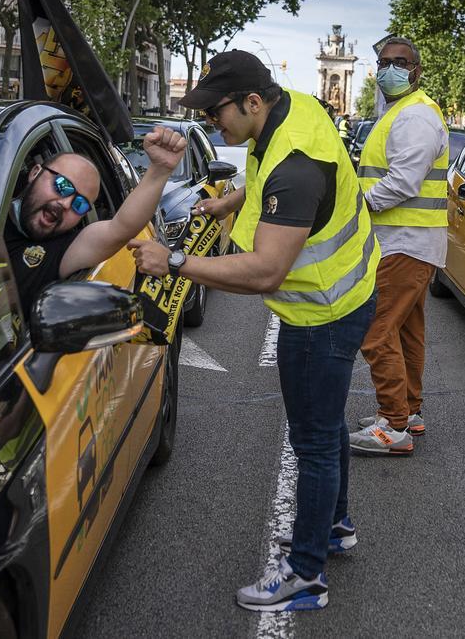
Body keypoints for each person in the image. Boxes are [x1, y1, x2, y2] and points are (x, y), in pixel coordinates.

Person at [127, 50, 379, 612]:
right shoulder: (296, 111)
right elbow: (271, 185)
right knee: (325, 424)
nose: (212, 123)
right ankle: (333, 527)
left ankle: (306, 574)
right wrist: (231, 203)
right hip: (345, 297)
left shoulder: (295, 165)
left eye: (216, 112)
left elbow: (266, 270)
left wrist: (172, 263)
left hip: (321, 316)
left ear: (253, 101)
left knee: (312, 440)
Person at [349, 36, 448, 457]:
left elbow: (404, 182)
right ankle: (409, 411)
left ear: (416, 70)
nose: (390, 68)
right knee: (407, 331)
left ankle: (393, 424)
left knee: (375, 329)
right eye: (384, 62)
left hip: (406, 244)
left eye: (400, 62)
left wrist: (356, 204)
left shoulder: (415, 117)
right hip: (407, 242)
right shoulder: (399, 113)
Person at [3, 127, 186, 312]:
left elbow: (120, 229)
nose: (66, 204)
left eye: (79, 204)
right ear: (35, 172)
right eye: (62, 186)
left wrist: (160, 170)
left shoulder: (62, 250)